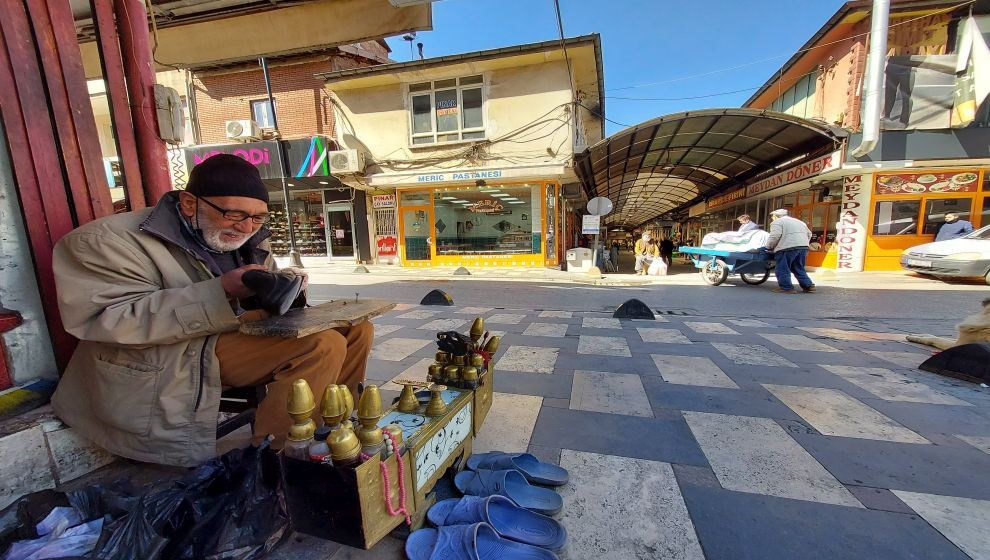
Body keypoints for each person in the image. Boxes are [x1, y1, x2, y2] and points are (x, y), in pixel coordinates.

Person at [50, 154, 373, 467]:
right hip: (170, 352)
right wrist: (220, 291)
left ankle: (334, 431)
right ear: (190, 204)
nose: (247, 227)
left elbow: (258, 289)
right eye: (234, 215)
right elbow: (110, 321)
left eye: (258, 217)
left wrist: (284, 287)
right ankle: (277, 458)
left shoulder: (248, 236)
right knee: (322, 345)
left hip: (224, 334)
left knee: (357, 329)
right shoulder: (106, 241)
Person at [765, 208, 815, 294]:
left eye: (772, 216)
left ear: (776, 216)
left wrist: (769, 246)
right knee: (798, 267)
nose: (772, 218)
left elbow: (775, 235)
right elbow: (809, 234)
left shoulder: (777, 222)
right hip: (803, 247)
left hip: (787, 247)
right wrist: (804, 243)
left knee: (782, 268)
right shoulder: (799, 222)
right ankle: (808, 285)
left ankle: (786, 288)